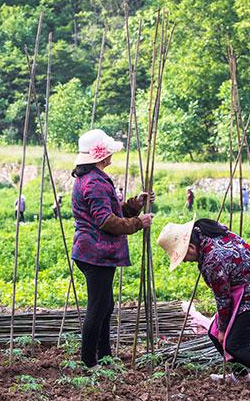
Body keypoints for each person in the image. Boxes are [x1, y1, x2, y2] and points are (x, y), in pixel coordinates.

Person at [157, 218, 250, 398]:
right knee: (213, 333)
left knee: (234, 344)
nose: (186, 261)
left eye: (184, 257)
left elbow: (223, 299)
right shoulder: (209, 234)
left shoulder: (213, 259)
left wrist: (223, 328)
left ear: (191, 247)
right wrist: (218, 329)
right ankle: (241, 375)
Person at [70, 129, 154, 368]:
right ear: (100, 156)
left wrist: (134, 204)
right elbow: (106, 221)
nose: (111, 156)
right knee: (98, 308)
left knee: (106, 306)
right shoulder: (94, 183)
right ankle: (89, 361)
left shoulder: (91, 179)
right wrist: (139, 223)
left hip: (97, 253)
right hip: (95, 254)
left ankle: (105, 355)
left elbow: (113, 212)